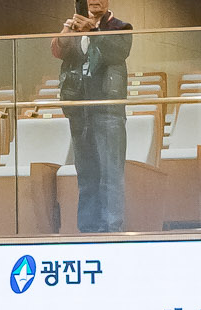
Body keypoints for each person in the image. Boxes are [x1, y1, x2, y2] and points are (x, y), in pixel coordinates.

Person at [55, 0, 132, 234]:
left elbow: (117, 52)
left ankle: (112, 230)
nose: (93, 0)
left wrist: (94, 32)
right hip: (80, 110)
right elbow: (58, 51)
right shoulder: (75, 27)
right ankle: (88, 231)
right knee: (86, 176)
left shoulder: (121, 27)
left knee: (110, 175)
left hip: (108, 109)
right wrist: (68, 28)